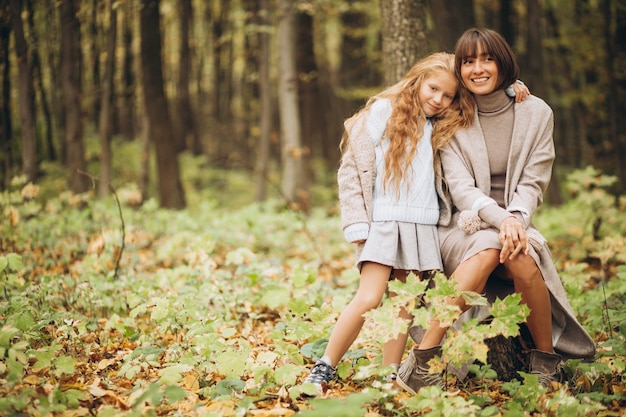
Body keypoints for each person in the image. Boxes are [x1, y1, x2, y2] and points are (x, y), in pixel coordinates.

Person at [396, 28, 596, 395]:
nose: (478, 68)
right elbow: (461, 189)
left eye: (486, 58)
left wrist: (514, 220)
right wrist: (501, 220)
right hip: (463, 227)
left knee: (520, 256)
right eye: (468, 61)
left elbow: (534, 180)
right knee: (490, 244)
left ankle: (545, 363)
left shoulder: (536, 112)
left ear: (503, 62)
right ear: (460, 69)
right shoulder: (453, 114)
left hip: (517, 222)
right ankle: (425, 359)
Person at [300, 52, 477, 395]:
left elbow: (483, 108)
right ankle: (324, 366)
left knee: (404, 303)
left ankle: (389, 374)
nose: (438, 99)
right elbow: (352, 171)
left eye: (448, 95)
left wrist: (514, 89)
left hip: (422, 226)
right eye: (433, 89)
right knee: (369, 298)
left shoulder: (441, 124)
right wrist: (357, 225)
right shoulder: (385, 112)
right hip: (383, 221)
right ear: (417, 80)